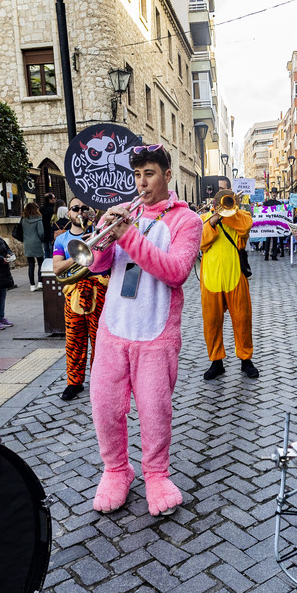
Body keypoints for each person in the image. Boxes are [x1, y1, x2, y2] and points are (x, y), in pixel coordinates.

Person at [85, 145, 202, 516]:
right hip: (114, 329)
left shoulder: (187, 221)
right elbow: (98, 265)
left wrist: (127, 235)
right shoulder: (124, 215)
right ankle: (117, 469)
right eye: (136, 175)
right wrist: (105, 231)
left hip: (156, 332)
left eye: (149, 174)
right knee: (104, 407)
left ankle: (156, 473)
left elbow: (176, 270)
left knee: (154, 411)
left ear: (168, 175)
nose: (142, 183)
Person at [52, 199, 109, 400]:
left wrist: (94, 240)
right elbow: (57, 268)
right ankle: (74, 382)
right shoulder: (61, 240)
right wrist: (79, 253)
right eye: (75, 208)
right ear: (68, 213)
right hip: (74, 292)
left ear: (91, 212)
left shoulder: (100, 233)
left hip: (98, 290)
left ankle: (99, 381)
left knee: (100, 341)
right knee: (74, 340)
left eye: (84, 208)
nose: (80, 211)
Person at [199, 194, 258, 380]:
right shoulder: (203, 219)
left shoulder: (240, 215)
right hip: (211, 279)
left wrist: (229, 213)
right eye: (220, 198)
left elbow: (246, 227)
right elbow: (199, 242)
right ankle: (216, 361)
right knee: (211, 322)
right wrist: (213, 221)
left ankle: (245, 359)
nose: (222, 202)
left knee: (242, 319)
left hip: (235, 275)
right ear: (213, 202)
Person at [17, 202, 46, 291]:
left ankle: (32, 285)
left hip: (27, 243)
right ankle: (40, 282)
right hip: (37, 242)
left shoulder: (23, 219)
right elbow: (41, 232)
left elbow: (20, 231)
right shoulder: (38, 219)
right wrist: (42, 239)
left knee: (31, 264)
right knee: (40, 263)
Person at [39, 192, 56, 260]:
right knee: (52, 252)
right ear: (50, 200)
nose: (55, 200)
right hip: (51, 233)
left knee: (46, 252)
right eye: (54, 198)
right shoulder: (53, 210)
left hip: (44, 233)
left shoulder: (41, 210)